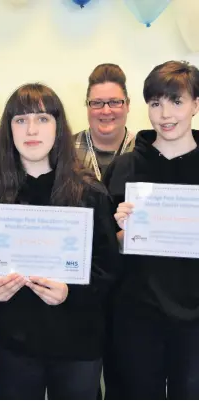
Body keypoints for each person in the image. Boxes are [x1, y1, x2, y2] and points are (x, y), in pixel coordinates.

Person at [0, 83, 121, 400]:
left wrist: (72, 291)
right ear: (8, 129)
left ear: (58, 127)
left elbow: (109, 269)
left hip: (78, 343)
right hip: (14, 345)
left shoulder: (89, 193)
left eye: (42, 119)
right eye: (21, 120)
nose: (31, 130)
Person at [103, 60, 199, 399]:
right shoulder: (126, 165)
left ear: (195, 105)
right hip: (138, 312)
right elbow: (105, 246)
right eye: (155, 103)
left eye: (176, 101)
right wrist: (119, 231)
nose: (165, 113)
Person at [74, 63, 136, 181]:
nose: (106, 111)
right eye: (97, 103)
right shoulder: (66, 151)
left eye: (114, 102)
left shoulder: (143, 150)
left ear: (127, 105)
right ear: (87, 106)